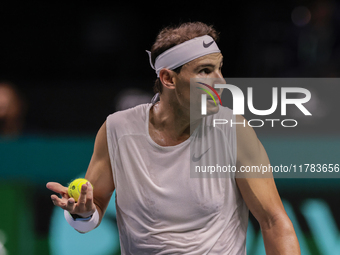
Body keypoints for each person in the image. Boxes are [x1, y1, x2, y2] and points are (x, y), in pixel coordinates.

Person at [47, 22, 300, 254]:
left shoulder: (233, 130)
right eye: (205, 71)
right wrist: (82, 214)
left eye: (219, 68)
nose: (220, 81)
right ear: (168, 78)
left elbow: (274, 221)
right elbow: (93, 209)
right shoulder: (118, 130)